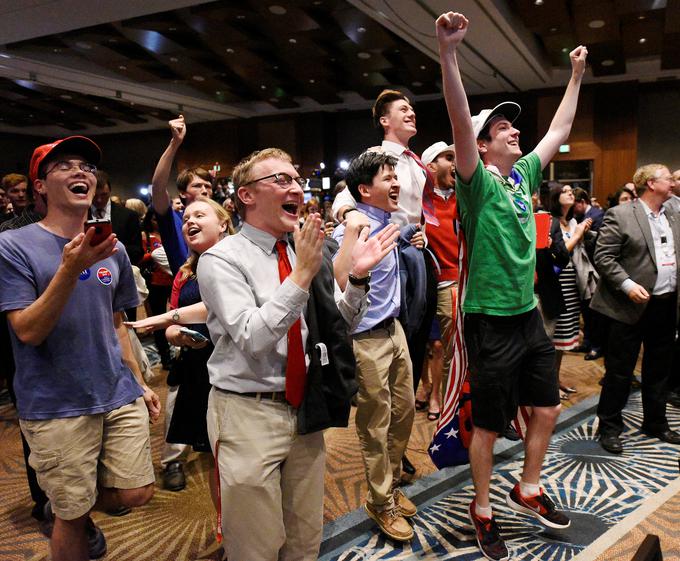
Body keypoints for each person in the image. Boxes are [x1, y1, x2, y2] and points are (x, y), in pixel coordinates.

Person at [198, 147, 398, 560]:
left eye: (296, 178)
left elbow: (336, 324)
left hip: (304, 409)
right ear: (246, 196)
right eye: (281, 180)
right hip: (247, 412)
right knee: (255, 545)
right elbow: (253, 337)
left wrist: (358, 279)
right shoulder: (222, 259)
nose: (296, 187)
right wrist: (304, 274)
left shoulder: (300, 251)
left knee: (305, 539)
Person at [437, 11, 586, 560]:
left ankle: (528, 487)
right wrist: (449, 55)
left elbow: (560, 131)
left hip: (526, 315)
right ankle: (482, 508)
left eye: (511, 127)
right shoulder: (476, 186)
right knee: (490, 426)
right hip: (488, 318)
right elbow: (457, 120)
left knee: (545, 408)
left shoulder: (521, 177)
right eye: (502, 128)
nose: (514, 131)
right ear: (481, 143)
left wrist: (574, 76)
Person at [0, 136, 160, 561]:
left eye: (87, 167)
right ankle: (70, 509)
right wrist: (71, 269)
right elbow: (27, 331)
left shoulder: (115, 249)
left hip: (115, 391)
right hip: (56, 401)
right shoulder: (13, 246)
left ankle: (72, 502)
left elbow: (117, 323)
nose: (81, 173)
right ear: (39, 185)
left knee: (137, 491)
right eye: (65, 165)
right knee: (71, 517)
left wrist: (140, 382)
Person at [332, 88, 437, 476]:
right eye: (402, 110)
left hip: (410, 246)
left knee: (413, 346)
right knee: (388, 350)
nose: (412, 113)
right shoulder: (376, 161)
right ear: (384, 121)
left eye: (413, 108)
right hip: (385, 246)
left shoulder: (415, 160)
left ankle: (396, 445)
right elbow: (344, 200)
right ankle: (389, 453)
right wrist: (351, 218)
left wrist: (416, 233)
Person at [332, 151, 415, 542]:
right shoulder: (355, 228)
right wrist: (349, 225)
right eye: (387, 178)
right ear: (365, 189)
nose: (396, 183)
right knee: (375, 423)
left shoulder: (389, 222)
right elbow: (339, 280)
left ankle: (392, 484)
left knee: (405, 411)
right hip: (365, 337)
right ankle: (380, 501)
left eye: (395, 176)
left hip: (394, 329)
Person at [592, 163, 680, 453]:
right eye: (669, 177)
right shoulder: (621, 214)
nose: (673, 181)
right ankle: (609, 428)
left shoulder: (673, 213)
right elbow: (604, 257)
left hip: (665, 304)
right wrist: (627, 285)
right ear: (651, 183)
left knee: (659, 370)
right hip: (627, 306)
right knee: (620, 371)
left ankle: (655, 422)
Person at [151, 114, 213, 490]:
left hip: (220, 314)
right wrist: (174, 145)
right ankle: (173, 458)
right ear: (184, 193)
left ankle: (206, 437)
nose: (204, 189)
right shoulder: (179, 226)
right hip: (186, 309)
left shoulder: (221, 221)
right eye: (197, 185)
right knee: (180, 387)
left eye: (208, 185)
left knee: (215, 382)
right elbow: (158, 186)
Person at [414, 141, 459, 421]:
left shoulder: (461, 196)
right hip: (421, 284)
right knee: (420, 343)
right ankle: (426, 386)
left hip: (450, 282)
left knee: (444, 346)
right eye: (447, 157)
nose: (453, 163)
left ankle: (437, 395)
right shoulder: (417, 199)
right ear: (430, 166)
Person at [547, 183, 594, 398]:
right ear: (555, 197)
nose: (571, 194)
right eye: (565, 191)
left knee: (563, 338)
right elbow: (558, 254)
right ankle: (549, 385)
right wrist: (576, 235)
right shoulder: (549, 221)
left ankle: (555, 379)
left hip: (571, 285)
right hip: (555, 285)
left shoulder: (571, 221)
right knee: (551, 339)